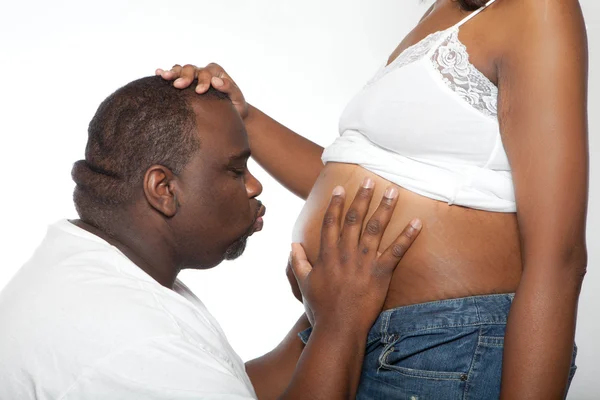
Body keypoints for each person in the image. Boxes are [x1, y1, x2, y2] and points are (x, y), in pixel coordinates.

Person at [157, 0, 589, 398]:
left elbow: (560, 256)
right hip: (344, 323)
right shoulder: (444, 10)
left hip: (445, 344)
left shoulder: (538, 8)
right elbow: (358, 178)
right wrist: (242, 114)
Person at [0, 76, 423, 399]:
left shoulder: (93, 268)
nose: (255, 186)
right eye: (236, 170)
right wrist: (339, 323)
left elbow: (227, 383)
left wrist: (324, 312)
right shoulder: (134, 338)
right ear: (164, 189)